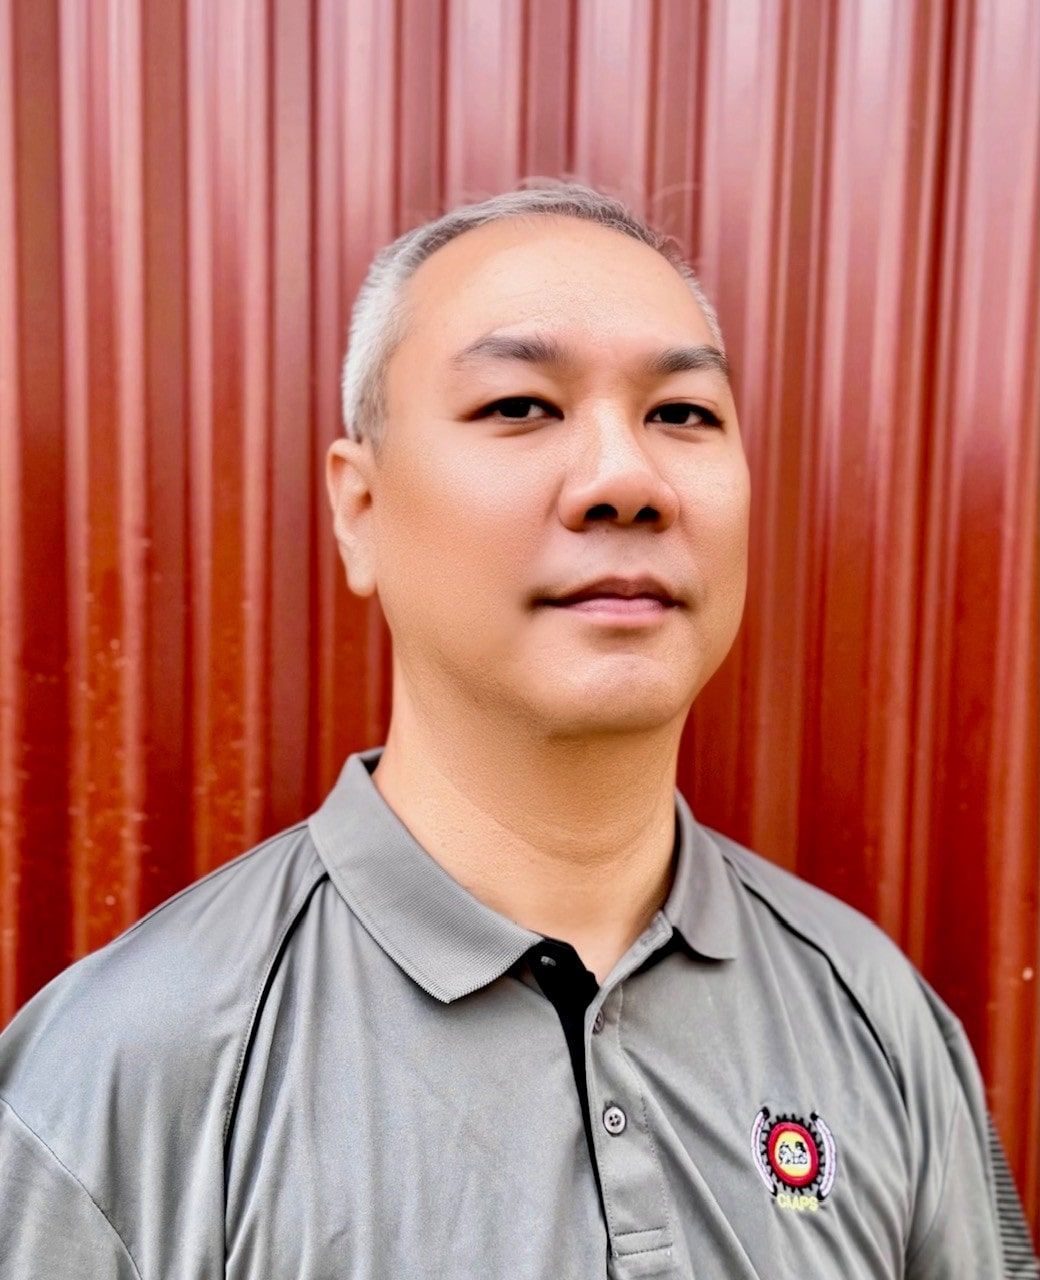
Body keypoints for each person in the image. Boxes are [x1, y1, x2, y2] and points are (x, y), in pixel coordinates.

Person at [0, 180, 1035, 1280]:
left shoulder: (870, 1013)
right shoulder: (121, 1078)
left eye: (680, 413)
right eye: (519, 405)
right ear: (359, 509)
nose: (623, 479)